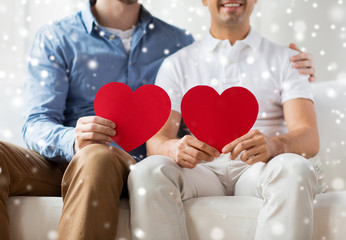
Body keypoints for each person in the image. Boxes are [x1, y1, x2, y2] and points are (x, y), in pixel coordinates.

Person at [0, 0, 316, 239]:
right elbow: (37, 122)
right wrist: (71, 139)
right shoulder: (56, 37)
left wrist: (293, 64)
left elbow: (216, 68)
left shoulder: (174, 42)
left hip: (118, 162)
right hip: (62, 159)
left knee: (98, 156)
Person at [128, 0, 324, 239]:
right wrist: (174, 147)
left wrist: (274, 145)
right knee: (146, 171)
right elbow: (156, 142)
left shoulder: (290, 60)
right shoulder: (177, 64)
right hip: (201, 171)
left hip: (259, 169)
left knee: (296, 168)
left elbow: (309, 137)